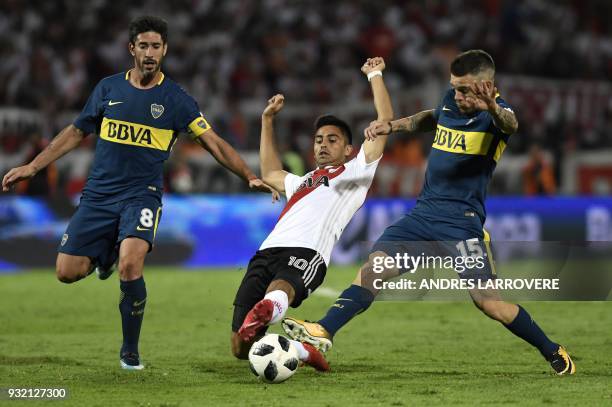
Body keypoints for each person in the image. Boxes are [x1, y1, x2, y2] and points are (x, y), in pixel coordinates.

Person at [1, 16, 275, 370]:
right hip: (98, 195)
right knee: (66, 272)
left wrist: (248, 175)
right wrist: (33, 167)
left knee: (131, 266)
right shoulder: (108, 89)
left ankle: (130, 351)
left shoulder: (175, 99)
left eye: (156, 46)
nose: (149, 53)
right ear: (131, 49)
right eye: (143, 46)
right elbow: (74, 132)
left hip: (141, 195)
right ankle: (103, 257)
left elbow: (213, 142)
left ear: (165, 50)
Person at [283, 50, 576, 376]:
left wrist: (491, 106)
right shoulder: (452, 100)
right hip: (422, 216)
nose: (458, 94)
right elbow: (432, 117)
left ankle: (551, 349)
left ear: (486, 85)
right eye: (455, 87)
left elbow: (512, 124)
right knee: (373, 270)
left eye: (465, 89)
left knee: (488, 302)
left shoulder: (496, 116)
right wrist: (391, 126)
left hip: (462, 225)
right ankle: (325, 329)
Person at [231, 57, 393, 371]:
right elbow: (269, 172)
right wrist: (267, 121)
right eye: (318, 140)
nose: (322, 145)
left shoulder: (356, 170)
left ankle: (269, 309)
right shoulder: (303, 180)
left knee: (280, 292)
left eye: (332, 140)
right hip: (267, 251)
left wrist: (375, 74)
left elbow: (385, 119)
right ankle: (303, 351)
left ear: (348, 149)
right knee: (239, 348)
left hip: (308, 252)